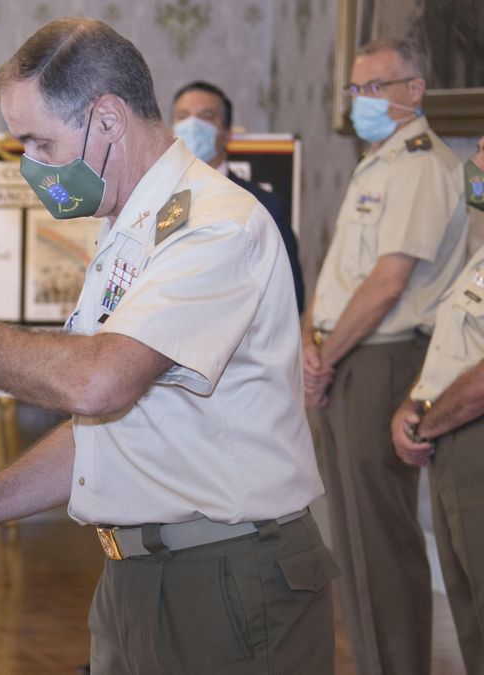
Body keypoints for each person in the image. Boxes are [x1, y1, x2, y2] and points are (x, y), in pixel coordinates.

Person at [0, 18, 335, 673]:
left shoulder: (212, 226)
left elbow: (97, 382)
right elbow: (101, 432)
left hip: (225, 575)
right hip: (136, 575)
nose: (33, 165)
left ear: (108, 119)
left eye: (40, 141)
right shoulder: (126, 230)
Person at [303, 38, 469, 675]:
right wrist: (315, 348)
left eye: (374, 88)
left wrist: (327, 354)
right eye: (354, 89)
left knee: (380, 540)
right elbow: (341, 272)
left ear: (414, 90)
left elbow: (388, 283)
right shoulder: (376, 162)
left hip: (385, 359)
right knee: (352, 537)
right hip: (345, 359)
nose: (361, 102)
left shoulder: (424, 166)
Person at [390, 134, 484, 675]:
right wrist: (414, 403)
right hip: (453, 442)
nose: (475, 161)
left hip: (470, 441)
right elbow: (455, 347)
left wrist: (428, 423)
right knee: (469, 614)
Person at [170, 80, 305, 311]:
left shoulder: (265, 206)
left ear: (227, 133)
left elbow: (289, 293)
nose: (193, 125)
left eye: (207, 116)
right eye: (183, 116)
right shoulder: (154, 197)